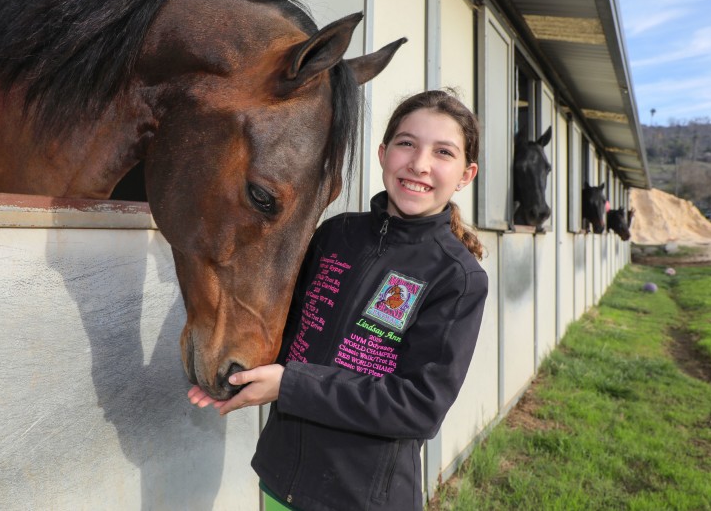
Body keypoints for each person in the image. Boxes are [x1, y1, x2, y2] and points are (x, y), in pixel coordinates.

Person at [188, 89, 488, 511]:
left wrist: (289, 385)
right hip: (281, 479)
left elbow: (419, 407)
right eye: (407, 143)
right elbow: (287, 333)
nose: (419, 164)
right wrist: (238, 376)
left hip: (358, 499)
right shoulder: (335, 234)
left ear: (465, 175)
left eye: (443, 152)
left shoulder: (457, 277)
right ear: (383, 154)